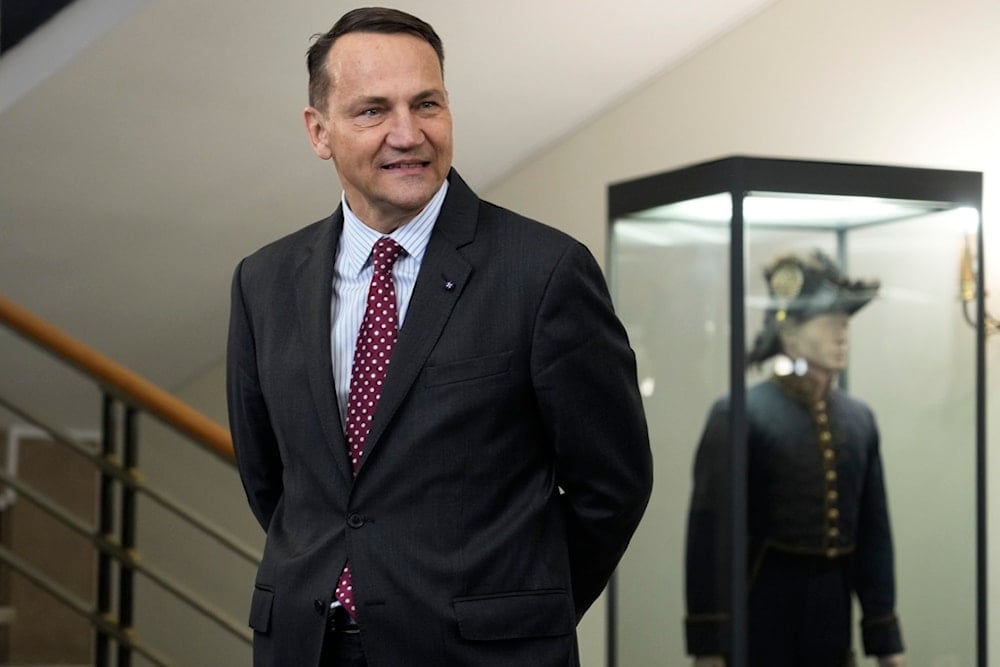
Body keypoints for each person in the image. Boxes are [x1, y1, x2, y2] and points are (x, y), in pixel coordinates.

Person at [226, 7, 653, 666]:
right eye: (373, 111)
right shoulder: (264, 281)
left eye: (427, 103)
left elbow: (613, 486)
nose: (407, 133)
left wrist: (519, 608)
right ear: (319, 131)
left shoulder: (543, 273)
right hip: (306, 648)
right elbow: (273, 483)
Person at [683, 250, 904, 667]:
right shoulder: (741, 413)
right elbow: (711, 533)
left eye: (845, 324)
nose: (842, 335)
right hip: (762, 610)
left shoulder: (858, 420)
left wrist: (885, 638)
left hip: (831, 617)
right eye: (829, 323)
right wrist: (709, 644)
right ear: (790, 336)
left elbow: (874, 537)